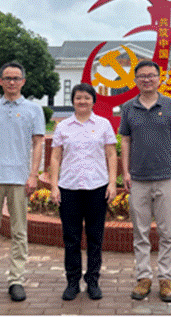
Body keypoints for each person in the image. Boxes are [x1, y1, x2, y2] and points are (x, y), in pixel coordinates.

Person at [0, 62, 45, 303]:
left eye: (16, 78)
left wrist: (33, 175)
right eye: (7, 78)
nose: (12, 82)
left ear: (23, 81)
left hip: (20, 179)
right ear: (0, 81)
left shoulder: (34, 110)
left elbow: (38, 143)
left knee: (19, 232)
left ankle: (16, 280)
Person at [119, 60, 171, 302]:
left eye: (151, 75)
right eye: (142, 76)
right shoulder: (128, 107)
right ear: (135, 80)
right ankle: (143, 277)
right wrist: (125, 172)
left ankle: (165, 278)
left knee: (167, 232)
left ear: (159, 78)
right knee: (141, 232)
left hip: (166, 177)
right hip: (138, 179)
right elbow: (125, 140)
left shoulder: (170, 105)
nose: (147, 79)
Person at [49, 83, 118, 301]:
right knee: (71, 238)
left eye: (87, 98)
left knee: (95, 237)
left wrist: (112, 184)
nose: (82, 101)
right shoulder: (63, 126)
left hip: (97, 187)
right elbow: (55, 157)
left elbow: (111, 154)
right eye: (78, 98)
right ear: (72, 101)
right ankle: (72, 282)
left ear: (93, 101)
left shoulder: (103, 124)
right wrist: (53, 186)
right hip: (69, 188)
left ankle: (93, 280)